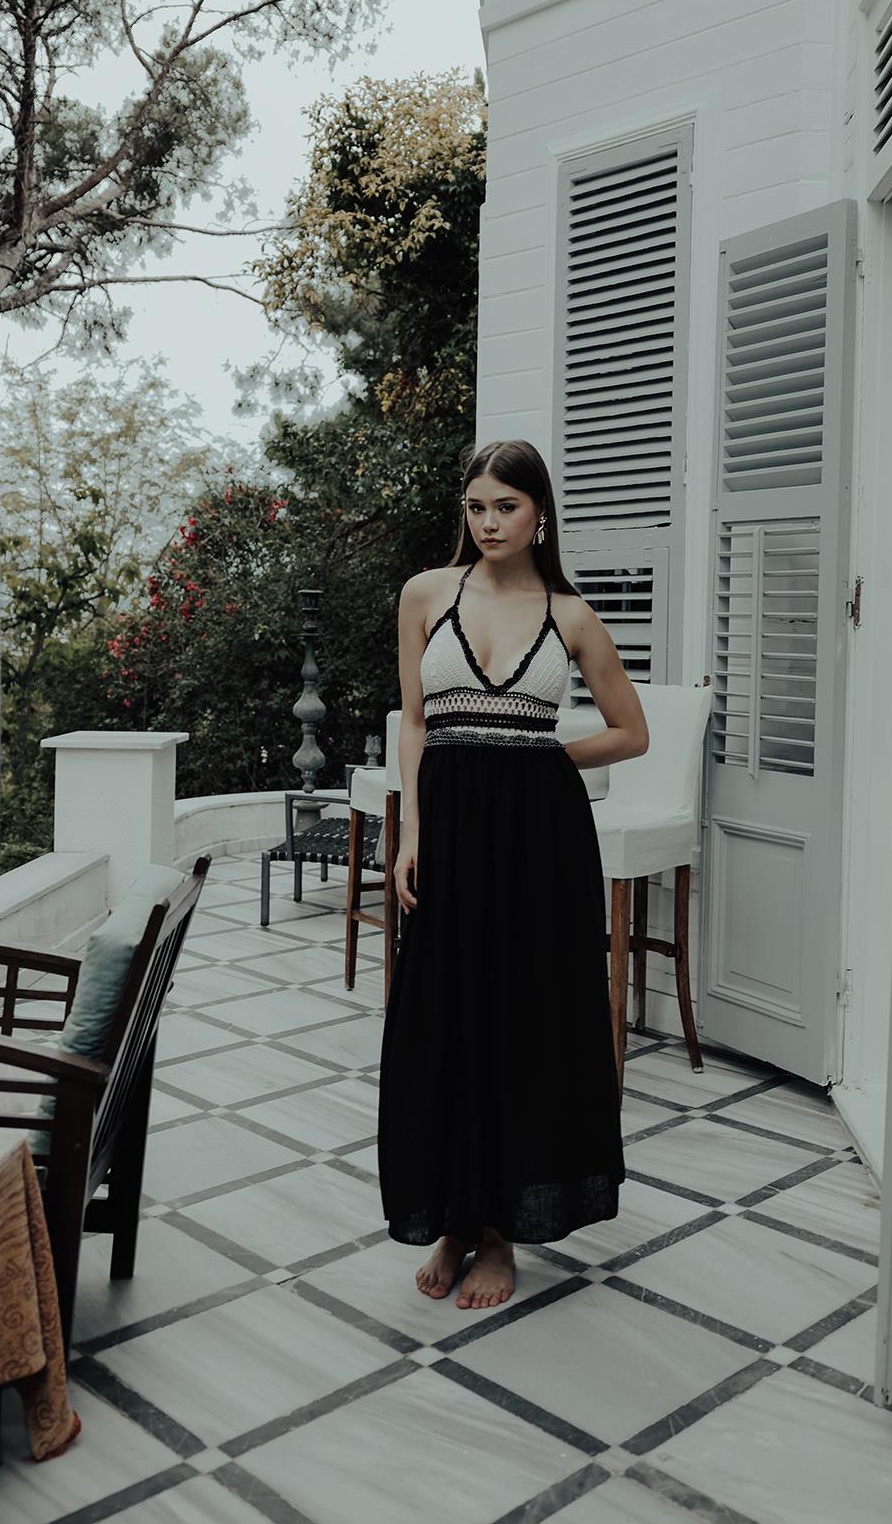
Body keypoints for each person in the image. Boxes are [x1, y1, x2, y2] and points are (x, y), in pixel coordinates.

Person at [377, 438, 649, 1310]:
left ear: (540, 516)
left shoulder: (571, 615)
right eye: (476, 507)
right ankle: (453, 1217)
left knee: (524, 1021)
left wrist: (544, 760)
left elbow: (631, 732)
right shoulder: (426, 594)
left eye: (506, 507)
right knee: (444, 1018)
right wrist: (411, 831)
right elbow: (415, 722)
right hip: (448, 827)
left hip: (541, 838)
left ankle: (497, 1234)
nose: (489, 522)